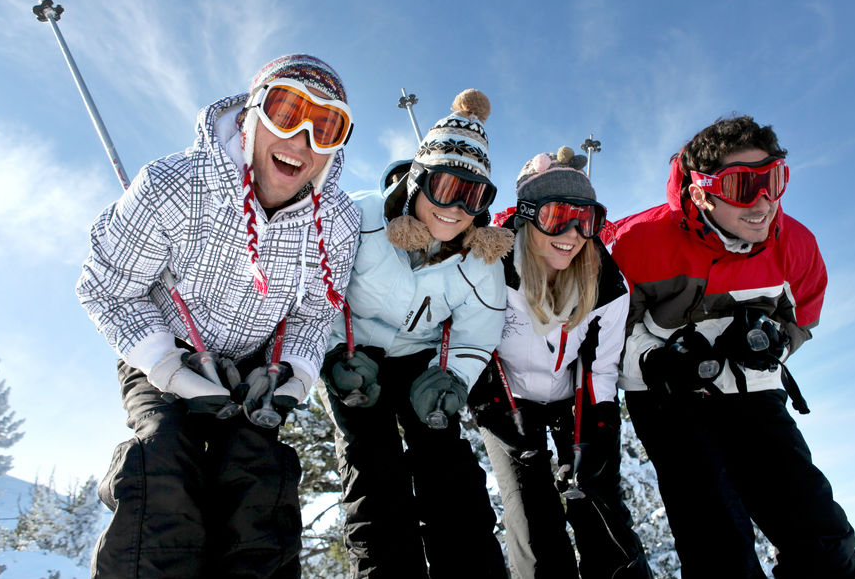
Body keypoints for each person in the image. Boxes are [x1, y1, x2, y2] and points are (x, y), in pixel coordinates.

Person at [76, 54, 360, 579]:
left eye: (325, 127)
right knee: (162, 466)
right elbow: (108, 288)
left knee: (258, 479)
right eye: (285, 110)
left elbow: (316, 311)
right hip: (166, 348)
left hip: (255, 368)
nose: (300, 141)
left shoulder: (336, 222)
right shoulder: (175, 185)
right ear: (251, 116)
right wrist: (168, 366)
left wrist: (288, 377)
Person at [614, 115, 855, 578]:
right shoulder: (636, 243)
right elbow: (601, 326)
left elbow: (802, 317)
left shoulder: (796, 246)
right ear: (700, 191)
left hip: (754, 394)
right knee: (720, 546)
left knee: (823, 540)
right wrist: (655, 360)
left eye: (772, 180)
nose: (763, 202)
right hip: (669, 400)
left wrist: (772, 343)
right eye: (739, 185)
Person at [318, 89, 512, 579]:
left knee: (446, 464)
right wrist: (331, 355)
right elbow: (313, 296)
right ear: (417, 181)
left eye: (474, 195)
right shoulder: (358, 219)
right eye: (445, 187)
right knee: (372, 466)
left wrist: (453, 376)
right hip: (355, 357)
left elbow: (477, 331)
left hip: (423, 363)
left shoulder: (478, 258)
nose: (455, 208)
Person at [469, 146, 653, 579]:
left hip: (574, 399)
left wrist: (597, 434)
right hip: (508, 401)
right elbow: (470, 341)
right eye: (557, 216)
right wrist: (491, 406)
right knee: (532, 518)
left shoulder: (606, 285)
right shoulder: (494, 266)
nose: (572, 233)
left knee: (596, 500)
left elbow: (602, 367)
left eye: (585, 220)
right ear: (528, 216)